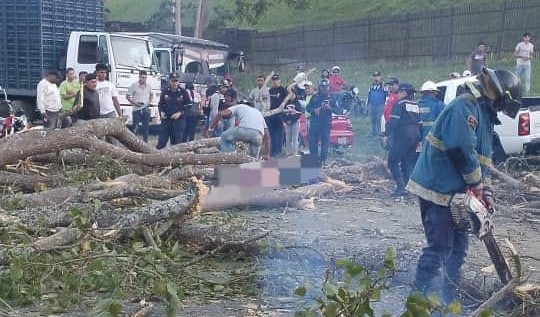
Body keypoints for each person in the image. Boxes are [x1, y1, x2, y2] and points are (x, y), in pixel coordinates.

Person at [406, 67, 523, 306]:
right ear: (499, 95)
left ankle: (449, 300)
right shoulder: (465, 107)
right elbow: (460, 149)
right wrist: (476, 184)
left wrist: (486, 192)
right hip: (436, 187)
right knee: (440, 246)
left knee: (458, 250)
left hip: (456, 193)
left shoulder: (486, 118)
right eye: (501, 105)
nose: (500, 110)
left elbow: (483, 162)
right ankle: (419, 300)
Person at [385, 83, 420, 197]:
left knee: (392, 161)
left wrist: (386, 134)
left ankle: (400, 187)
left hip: (403, 136)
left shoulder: (399, 104)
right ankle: (409, 188)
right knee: (407, 163)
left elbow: (393, 122)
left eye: (399, 91)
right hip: (416, 136)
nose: (398, 93)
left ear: (404, 92)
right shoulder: (416, 105)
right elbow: (420, 123)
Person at [156, 74, 191, 149]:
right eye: (173, 81)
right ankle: (158, 158)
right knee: (161, 143)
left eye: (176, 81)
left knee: (176, 144)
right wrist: (161, 112)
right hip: (166, 120)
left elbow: (189, 106)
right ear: (169, 81)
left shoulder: (183, 92)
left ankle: (175, 160)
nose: (175, 83)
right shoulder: (165, 91)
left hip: (178, 121)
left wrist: (180, 113)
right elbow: (160, 104)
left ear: (178, 82)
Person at [307, 78, 335, 165]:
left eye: (325, 87)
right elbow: (308, 108)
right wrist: (314, 110)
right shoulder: (315, 96)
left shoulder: (331, 97)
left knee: (325, 142)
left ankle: (323, 160)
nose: (324, 89)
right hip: (315, 122)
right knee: (312, 142)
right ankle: (314, 159)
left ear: (328, 87)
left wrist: (329, 108)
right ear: (319, 87)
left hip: (326, 123)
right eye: (322, 87)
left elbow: (338, 110)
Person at [126, 70, 153, 142]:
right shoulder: (134, 85)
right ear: (139, 77)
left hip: (145, 108)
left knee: (146, 127)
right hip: (136, 108)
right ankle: (133, 142)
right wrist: (134, 103)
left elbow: (151, 94)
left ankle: (145, 142)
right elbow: (127, 96)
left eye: (145, 77)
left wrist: (149, 102)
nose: (144, 79)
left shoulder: (148, 86)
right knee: (135, 126)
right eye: (142, 77)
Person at [267, 73, 288, 157]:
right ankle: (272, 151)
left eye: (277, 80)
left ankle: (278, 152)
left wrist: (284, 118)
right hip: (271, 115)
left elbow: (286, 103)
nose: (275, 82)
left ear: (279, 80)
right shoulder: (270, 90)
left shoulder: (283, 90)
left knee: (279, 134)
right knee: (271, 134)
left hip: (280, 115)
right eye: (274, 80)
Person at [282, 90, 304, 156]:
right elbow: (282, 113)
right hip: (287, 123)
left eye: (292, 94)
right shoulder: (286, 103)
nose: (291, 96)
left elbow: (299, 113)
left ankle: (295, 152)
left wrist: (292, 120)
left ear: (295, 95)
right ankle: (288, 152)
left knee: (295, 138)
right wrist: (286, 121)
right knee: (287, 138)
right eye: (290, 94)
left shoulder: (297, 103)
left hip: (295, 123)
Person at [367, 71, 387, 137]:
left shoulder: (383, 85)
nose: (376, 78)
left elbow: (386, 96)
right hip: (373, 105)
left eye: (377, 76)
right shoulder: (371, 86)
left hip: (380, 105)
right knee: (373, 120)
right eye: (375, 76)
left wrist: (385, 105)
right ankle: (374, 133)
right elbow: (369, 96)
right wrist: (367, 105)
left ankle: (379, 134)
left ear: (380, 77)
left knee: (379, 120)